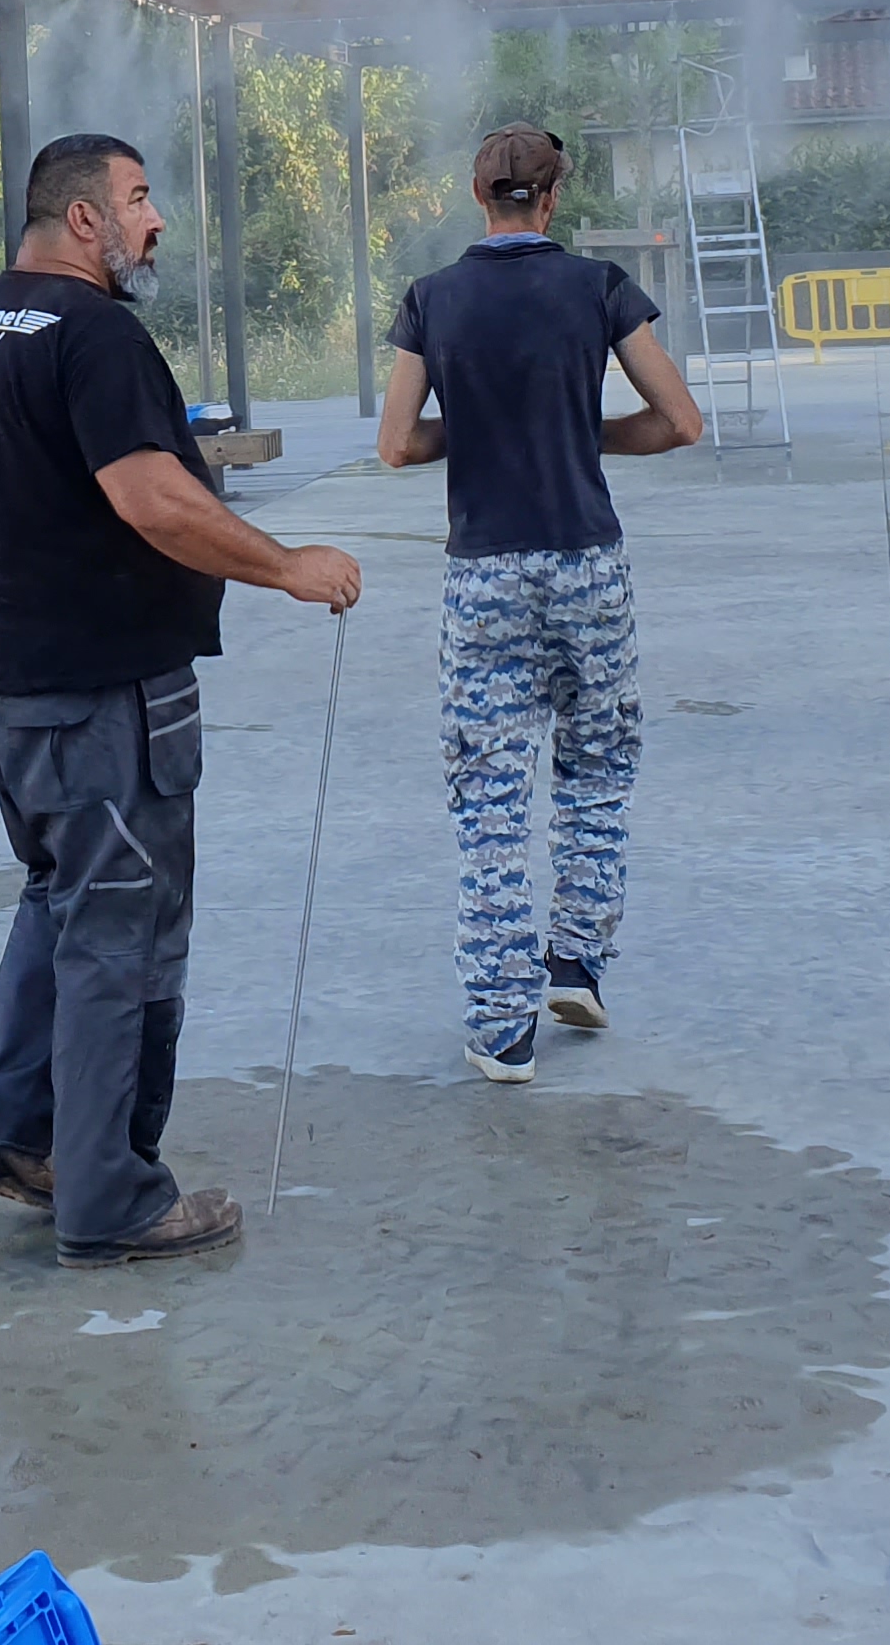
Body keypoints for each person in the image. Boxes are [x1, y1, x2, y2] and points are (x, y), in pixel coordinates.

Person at [0, 130, 363, 1266]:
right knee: (122, 930)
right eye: (136, 198)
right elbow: (152, 498)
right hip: (96, 687)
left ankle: (8, 1132)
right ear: (83, 219)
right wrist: (286, 565)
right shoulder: (96, 332)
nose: (156, 218)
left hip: (6, 678)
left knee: (62, 900)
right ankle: (111, 1197)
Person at [376, 124, 704, 1082]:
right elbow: (681, 422)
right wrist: (573, 429)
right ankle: (576, 962)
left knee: (489, 797)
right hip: (587, 566)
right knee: (597, 766)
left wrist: (482, 430)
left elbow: (396, 444)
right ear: (553, 199)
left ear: (477, 195)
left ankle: (500, 1028)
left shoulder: (432, 299)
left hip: (485, 574)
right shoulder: (599, 288)